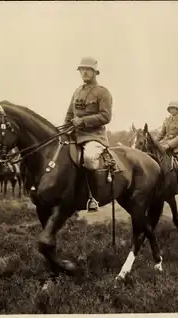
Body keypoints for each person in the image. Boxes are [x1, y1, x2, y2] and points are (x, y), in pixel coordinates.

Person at [64, 56, 113, 212]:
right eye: (82, 69)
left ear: (94, 72)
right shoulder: (77, 91)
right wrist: (63, 131)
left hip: (94, 136)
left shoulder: (103, 92)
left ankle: (93, 198)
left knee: (89, 159)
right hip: (74, 134)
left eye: (87, 70)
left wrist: (83, 121)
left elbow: (106, 117)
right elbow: (69, 114)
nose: (84, 72)